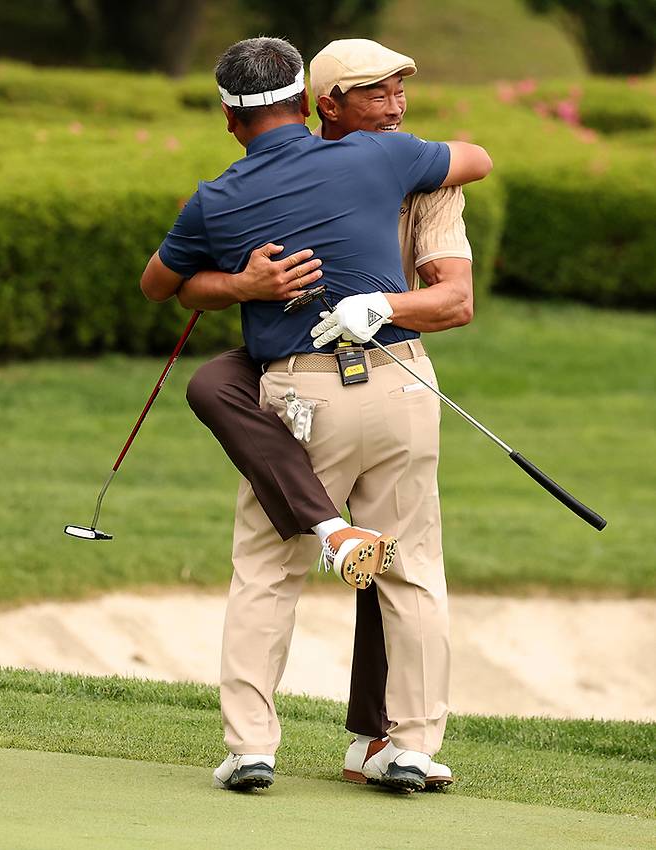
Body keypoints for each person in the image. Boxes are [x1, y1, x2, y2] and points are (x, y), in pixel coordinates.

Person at [141, 36, 491, 792]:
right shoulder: (378, 159)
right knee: (414, 573)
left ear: (229, 118)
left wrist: (241, 283)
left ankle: (251, 747)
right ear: (307, 104)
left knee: (269, 571)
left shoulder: (216, 197)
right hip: (402, 386)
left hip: (301, 395)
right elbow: (478, 157)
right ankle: (409, 746)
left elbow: (157, 285)